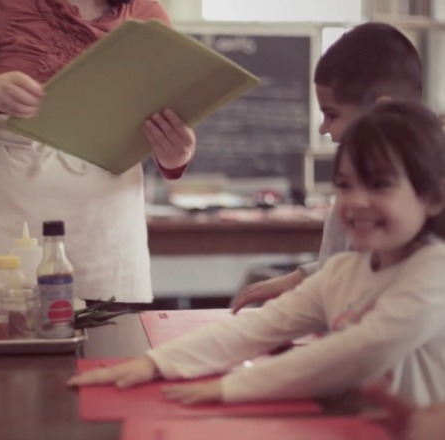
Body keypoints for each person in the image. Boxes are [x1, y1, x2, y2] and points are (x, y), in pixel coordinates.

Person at [68, 101, 445, 407]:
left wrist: (232, 387)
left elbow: (356, 351)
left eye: (379, 185)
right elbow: (257, 328)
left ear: (433, 198)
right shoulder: (343, 271)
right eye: (346, 185)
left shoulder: (433, 271)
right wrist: (153, 364)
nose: (357, 202)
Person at [0, 0, 196, 304]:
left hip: (105, 243)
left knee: (109, 352)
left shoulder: (148, 14)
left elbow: (163, 120)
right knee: (1, 344)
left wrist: (176, 155)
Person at [231, 22, 423, 313]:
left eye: (331, 114)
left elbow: (358, 297)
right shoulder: (360, 180)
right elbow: (342, 268)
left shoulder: (418, 198)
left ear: (382, 112)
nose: (323, 128)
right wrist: (300, 278)